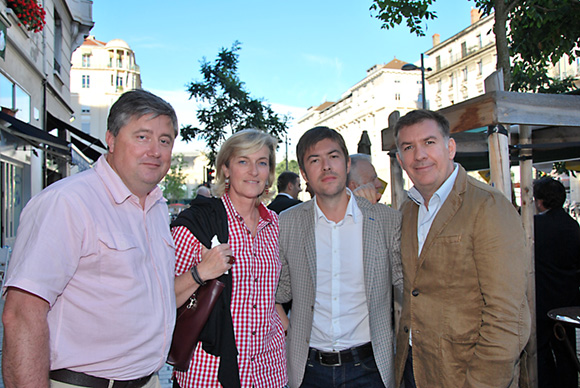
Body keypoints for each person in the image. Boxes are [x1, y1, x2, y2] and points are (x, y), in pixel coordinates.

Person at [2, 89, 178, 388]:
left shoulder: (157, 207)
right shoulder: (68, 202)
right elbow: (22, 314)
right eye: (142, 137)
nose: (155, 151)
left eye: (165, 141)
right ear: (110, 139)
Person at [393, 109, 531, 388]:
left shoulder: (488, 206)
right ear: (400, 159)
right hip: (414, 369)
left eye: (429, 142)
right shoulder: (408, 209)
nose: (419, 155)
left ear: (450, 147)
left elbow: (507, 317)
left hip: (466, 374)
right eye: (409, 147)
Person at [276, 126, 402, 388]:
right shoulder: (287, 224)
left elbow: (409, 285)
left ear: (346, 164)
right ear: (304, 174)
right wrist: (290, 333)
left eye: (333, 157)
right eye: (314, 160)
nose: (326, 167)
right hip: (308, 371)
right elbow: (277, 291)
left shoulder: (385, 221)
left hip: (370, 368)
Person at [171, 129, 287, 388]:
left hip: (268, 370)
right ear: (225, 169)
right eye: (243, 161)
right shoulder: (197, 225)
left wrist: (282, 322)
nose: (254, 171)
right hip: (210, 372)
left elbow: (270, 293)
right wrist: (201, 272)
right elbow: (162, 299)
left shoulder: (275, 225)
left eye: (262, 163)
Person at [533, 177, 580, 388]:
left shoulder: (533, 226)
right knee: (566, 349)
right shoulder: (572, 226)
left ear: (540, 201)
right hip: (567, 300)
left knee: (541, 351)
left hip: (541, 298)